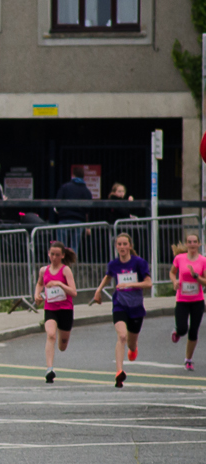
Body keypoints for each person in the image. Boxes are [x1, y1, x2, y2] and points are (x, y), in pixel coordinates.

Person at [92, 232, 151, 388]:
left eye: (125, 244)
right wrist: (98, 291)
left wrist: (131, 285)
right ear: (116, 247)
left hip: (136, 307)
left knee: (131, 343)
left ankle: (133, 349)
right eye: (119, 244)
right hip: (120, 304)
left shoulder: (139, 263)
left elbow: (148, 283)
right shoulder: (114, 264)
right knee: (122, 336)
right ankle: (119, 372)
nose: (122, 247)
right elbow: (108, 276)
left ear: (130, 246)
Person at [34, 241, 77, 383]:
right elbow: (40, 283)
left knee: (62, 345)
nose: (54, 257)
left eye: (57, 255)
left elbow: (73, 292)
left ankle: (61, 339)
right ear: (48, 254)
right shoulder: (43, 270)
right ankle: (49, 369)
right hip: (50, 308)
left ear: (63, 255)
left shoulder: (65, 271)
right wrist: (37, 295)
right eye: (52, 254)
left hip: (65, 309)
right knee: (51, 335)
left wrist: (59, 284)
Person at [169, 232, 206, 371]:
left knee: (194, 331)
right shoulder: (180, 258)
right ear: (186, 244)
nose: (192, 244)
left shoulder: (203, 261)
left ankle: (188, 360)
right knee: (183, 329)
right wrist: (174, 281)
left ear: (198, 244)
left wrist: (196, 276)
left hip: (197, 300)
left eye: (194, 242)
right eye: (189, 242)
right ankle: (178, 331)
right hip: (182, 299)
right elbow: (172, 272)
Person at [54, 165, 93, 254]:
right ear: (83, 176)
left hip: (64, 219)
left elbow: (57, 202)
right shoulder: (86, 191)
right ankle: (72, 263)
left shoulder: (65, 187)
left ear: (73, 175)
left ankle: (62, 263)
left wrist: (59, 211)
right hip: (79, 220)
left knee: (61, 245)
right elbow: (88, 209)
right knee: (74, 245)